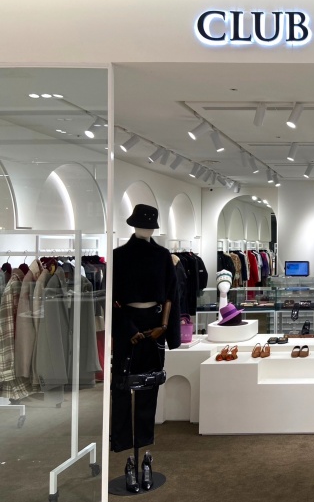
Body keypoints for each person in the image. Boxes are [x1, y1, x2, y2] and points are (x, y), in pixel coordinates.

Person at [111, 204, 180, 493]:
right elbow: (111, 299)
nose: (146, 229)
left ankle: (144, 452)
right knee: (122, 386)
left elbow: (171, 295)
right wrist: (128, 330)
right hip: (127, 325)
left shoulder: (162, 256)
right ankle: (126, 452)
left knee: (149, 387)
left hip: (154, 326)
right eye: (143, 224)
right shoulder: (118, 256)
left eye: (150, 225)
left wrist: (165, 329)